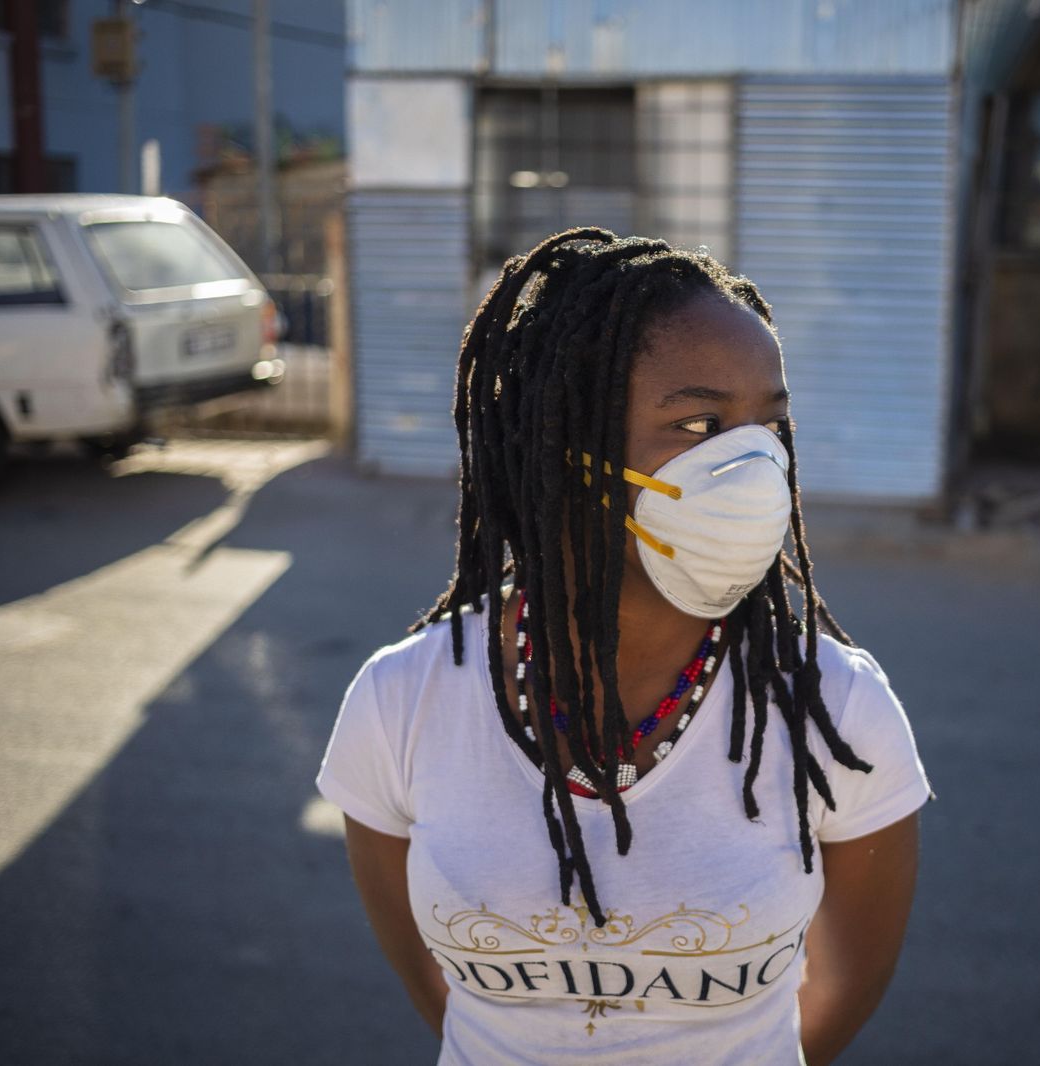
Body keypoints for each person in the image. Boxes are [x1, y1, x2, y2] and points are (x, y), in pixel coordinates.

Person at [315, 228, 935, 1065]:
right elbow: (436, 986)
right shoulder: (402, 702)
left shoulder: (839, 708)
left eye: (769, 425)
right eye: (697, 422)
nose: (752, 465)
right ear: (563, 447)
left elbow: (844, 986)